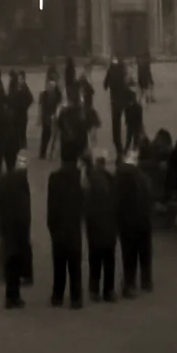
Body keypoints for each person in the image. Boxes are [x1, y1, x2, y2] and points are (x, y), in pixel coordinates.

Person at [46, 155, 84, 310]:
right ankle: (76, 297)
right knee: (75, 264)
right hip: (74, 225)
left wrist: (51, 226)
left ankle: (58, 295)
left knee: (59, 263)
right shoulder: (80, 176)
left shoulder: (54, 178)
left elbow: (51, 204)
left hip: (59, 225)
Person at [116, 147, 154, 297]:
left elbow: (117, 201)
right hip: (144, 219)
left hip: (128, 221)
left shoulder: (122, 178)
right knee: (144, 252)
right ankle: (146, 280)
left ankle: (130, 283)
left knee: (129, 254)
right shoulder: (144, 178)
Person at [0, 152, 33, 310]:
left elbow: (1, 204)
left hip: (8, 223)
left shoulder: (4, 179)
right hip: (18, 225)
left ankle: (11, 294)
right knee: (16, 260)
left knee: (10, 258)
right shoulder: (20, 180)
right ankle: (14, 295)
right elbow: (25, 205)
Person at [83, 149, 118, 303]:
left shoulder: (91, 184)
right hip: (109, 225)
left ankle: (94, 289)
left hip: (96, 226)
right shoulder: (110, 180)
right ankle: (108, 290)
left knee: (95, 258)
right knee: (109, 258)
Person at [103, 57, 130, 153]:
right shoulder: (123, 70)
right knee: (129, 123)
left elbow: (105, 85)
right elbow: (128, 83)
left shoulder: (111, 71)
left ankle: (118, 144)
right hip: (125, 100)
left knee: (116, 124)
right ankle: (128, 144)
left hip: (115, 101)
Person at [37, 72, 62, 160]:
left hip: (50, 117)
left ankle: (46, 153)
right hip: (50, 117)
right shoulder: (47, 94)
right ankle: (47, 153)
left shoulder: (47, 94)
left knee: (49, 136)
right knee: (49, 136)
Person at [11, 71, 34, 153]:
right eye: (19, 78)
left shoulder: (24, 88)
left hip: (22, 111)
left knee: (22, 128)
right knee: (18, 128)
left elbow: (30, 99)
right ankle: (20, 143)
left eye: (21, 78)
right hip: (18, 111)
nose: (20, 80)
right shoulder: (17, 87)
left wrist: (25, 106)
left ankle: (23, 143)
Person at [124, 86, 145, 153]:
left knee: (129, 139)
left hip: (131, 125)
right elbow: (140, 118)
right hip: (135, 125)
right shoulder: (138, 107)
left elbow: (126, 116)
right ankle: (133, 151)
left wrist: (127, 122)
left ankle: (127, 150)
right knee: (134, 140)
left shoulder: (127, 107)